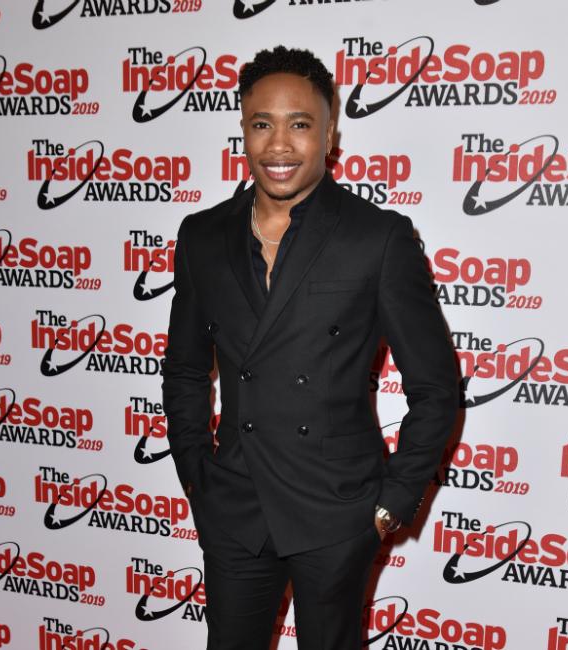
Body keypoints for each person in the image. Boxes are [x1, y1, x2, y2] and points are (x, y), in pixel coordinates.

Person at [162, 45, 458, 650]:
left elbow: (435, 388)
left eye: (299, 124)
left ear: (329, 134)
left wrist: (391, 503)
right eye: (261, 124)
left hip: (337, 511)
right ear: (242, 131)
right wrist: (197, 477)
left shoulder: (377, 237)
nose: (279, 145)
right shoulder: (202, 236)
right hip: (236, 508)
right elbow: (185, 370)